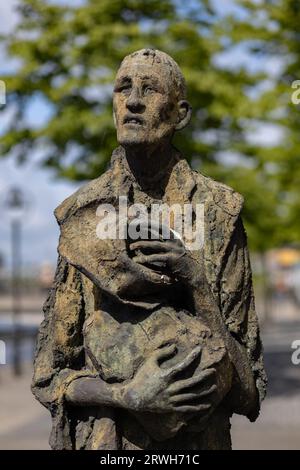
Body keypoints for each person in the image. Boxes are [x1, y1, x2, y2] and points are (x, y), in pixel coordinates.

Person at [32, 49, 266, 450]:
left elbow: (249, 393)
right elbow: (49, 376)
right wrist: (126, 396)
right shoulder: (81, 214)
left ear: (180, 114)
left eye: (150, 88)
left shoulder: (219, 212)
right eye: (123, 87)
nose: (133, 100)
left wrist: (196, 284)